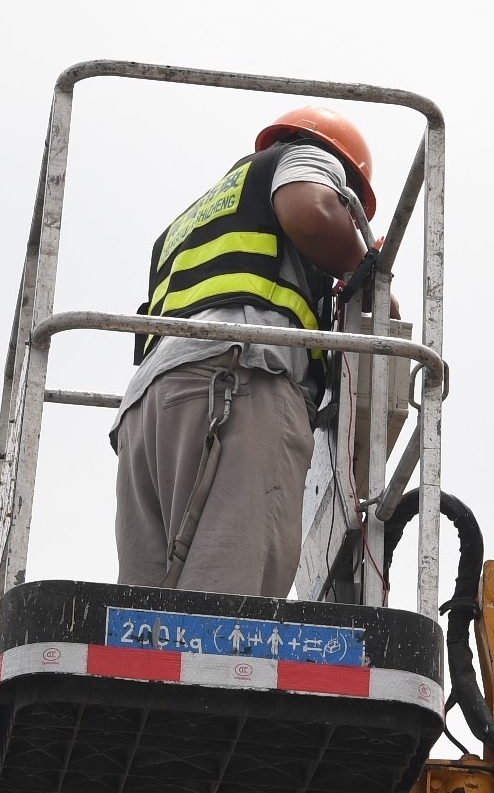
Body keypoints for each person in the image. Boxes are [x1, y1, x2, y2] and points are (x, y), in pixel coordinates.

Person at [111, 104, 376, 596]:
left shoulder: (188, 221)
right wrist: (368, 269)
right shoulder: (308, 157)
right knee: (232, 611)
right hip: (241, 382)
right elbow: (310, 208)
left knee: (147, 628)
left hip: (147, 411)